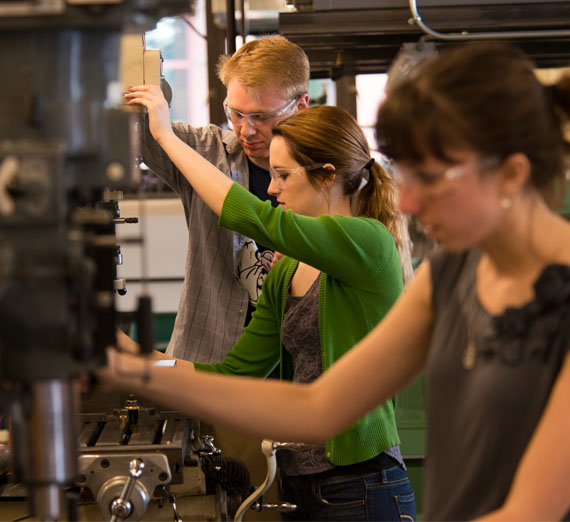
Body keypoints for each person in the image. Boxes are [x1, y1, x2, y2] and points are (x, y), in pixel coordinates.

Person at [102, 41, 570, 520]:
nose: (406, 203)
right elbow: (318, 408)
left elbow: (535, 505)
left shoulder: (557, 293)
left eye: (429, 177)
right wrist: (126, 366)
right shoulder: (445, 279)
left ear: (512, 174)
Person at [117, 90, 415, 520]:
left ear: (327, 175)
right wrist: (138, 360)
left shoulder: (369, 242)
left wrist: (164, 136)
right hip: (298, 483)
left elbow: (253, 217)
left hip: (362, 484)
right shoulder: (287, 268)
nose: (272, 188)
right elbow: (232, 374)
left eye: (282, 175)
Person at [142, 35, 310, 364]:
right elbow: (138, 130)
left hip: (296, 369)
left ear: (301, 105)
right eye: (235, 113)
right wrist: (144, 79)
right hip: (207, 354)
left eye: (261, 117)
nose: (246, 130)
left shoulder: (329, 178)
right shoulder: (207, 151)